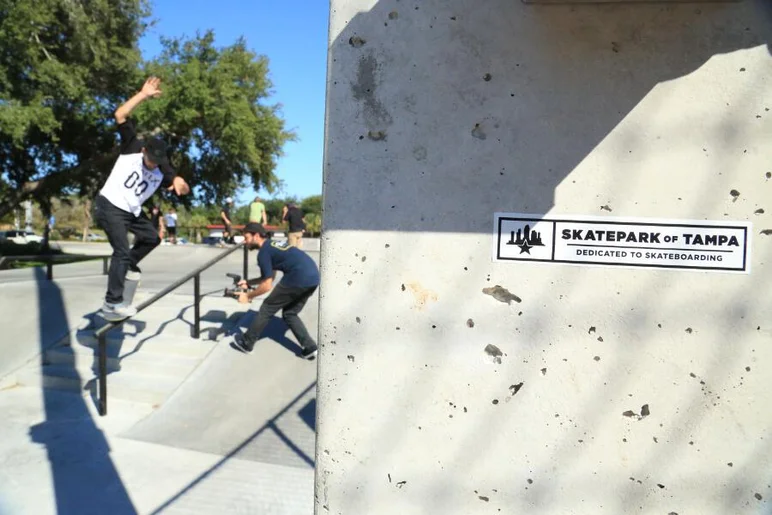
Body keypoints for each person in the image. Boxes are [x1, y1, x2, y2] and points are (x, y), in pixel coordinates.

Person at [94, 77, 190, 321]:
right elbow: (120, 114)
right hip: (110, 205)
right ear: (144, 150)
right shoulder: (132, 146)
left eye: (156, 162)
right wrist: (142, 95)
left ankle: (125, 267)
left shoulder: (163, 167)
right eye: (150, 160)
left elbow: (180, 186)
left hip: (132, 211)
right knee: (122, 251)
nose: (152, 165)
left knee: (151, 238)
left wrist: (181, 183)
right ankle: (111, 303)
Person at [232, 222, 319, 360]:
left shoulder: (263, 253)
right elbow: (269, 277)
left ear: (256, 236)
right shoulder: (272, 245)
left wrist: (248, 296)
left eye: (246, 237)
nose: (245, 241)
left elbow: (267, 286)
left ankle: (247, 342)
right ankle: (309, 348)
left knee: (267, 307)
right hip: (313, 277)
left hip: (298, 277)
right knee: (290, 313)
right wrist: (248, 282)